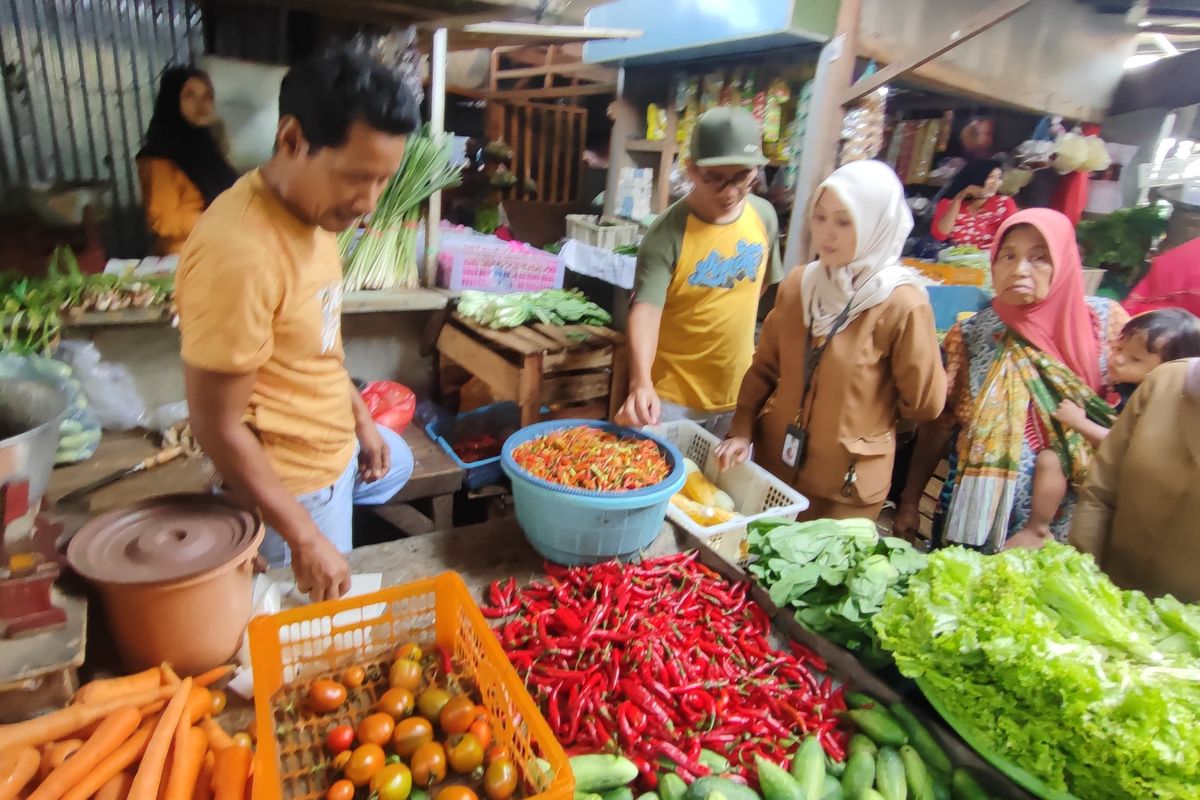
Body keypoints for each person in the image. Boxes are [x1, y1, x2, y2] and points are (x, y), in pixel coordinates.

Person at [175, 46, 420, 601]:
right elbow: (216, 425)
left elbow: (320, 343)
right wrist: (305, 537)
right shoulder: (240, 253)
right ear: (291, 140)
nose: (368, 202)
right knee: (316, 636)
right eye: (357, 177)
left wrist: (359, 418)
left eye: (383, 181)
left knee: (399, 459)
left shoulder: (314, 215)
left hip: (332, 455)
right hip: (294, 489)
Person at [715, 160, 946, 520]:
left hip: (848, 490)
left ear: (876, 224)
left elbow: (924, 404)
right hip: (776, 471)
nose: (827, 234)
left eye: (844, 221)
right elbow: (764, 368)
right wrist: (742, 430)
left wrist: (865, 417)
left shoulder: (902, 305)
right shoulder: (799, 285)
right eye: (819, 217)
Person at [896, 209, 1130, 552]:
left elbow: (1135, 416)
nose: (1019, 269)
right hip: (977, 524)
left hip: (1071, 527)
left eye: (1039, 258)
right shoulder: (972, 334)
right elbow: (940, 425)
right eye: (1008, 255)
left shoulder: (1104, 323)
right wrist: (910, 500)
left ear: (1063, 262)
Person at [615, 106, 784, 436]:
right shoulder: (667, 233)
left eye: (742, 178)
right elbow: (646, 312)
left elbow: (759, 287)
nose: (730, 192)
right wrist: (641, 383)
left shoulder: (763, 217)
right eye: (715, 179)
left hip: (739, 393)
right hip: (673, 398)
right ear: (691, 170)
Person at [1019, 307, 1200, 548]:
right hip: (1104, 463)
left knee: (1052, 460)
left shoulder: (1159, 401)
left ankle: (1038, 528)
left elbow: (1123, 444)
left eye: (1135, 359)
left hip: (1130, 475)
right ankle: (1036, 528)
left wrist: (1079, 422)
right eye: (1117, 348)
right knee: (1050, 459)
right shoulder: (1121, 386)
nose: (1118, 359)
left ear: (1169, 369)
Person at [1069, 358, 1200, 602]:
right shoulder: (1166, 382)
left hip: (1187, 631)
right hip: (1106, 599)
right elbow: (1099, 493)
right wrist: (1083, 581)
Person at [137, 66, 238, 255]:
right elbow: (163, 220)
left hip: (220, 248)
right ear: (172, 101)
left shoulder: (207, 148)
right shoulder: (160, 156)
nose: (201, 105)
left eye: (206, 97)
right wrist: (215, 220)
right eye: (190, 96)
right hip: (185, 256)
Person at [930, 158, 1016, 249]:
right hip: (957, 258)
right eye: (990, 177)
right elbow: (940, 235)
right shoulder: (948, 203)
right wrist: (959, 198)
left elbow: (1013, 237)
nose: (995, 182)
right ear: (976, 178)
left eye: (999, 177)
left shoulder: (1004, 203)